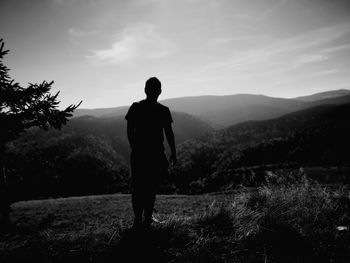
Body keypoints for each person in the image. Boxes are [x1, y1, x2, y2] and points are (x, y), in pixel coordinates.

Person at [125, 77, 177, 228]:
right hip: (156, 154)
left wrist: (135, 147)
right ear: (160, 91)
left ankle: (138, 220)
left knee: (139, 187)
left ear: (145, 90)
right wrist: (173, 152)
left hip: (139, 154)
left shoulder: (136, 107)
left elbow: (129, 131)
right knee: (151, 187)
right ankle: (146, 219)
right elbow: (169, 133)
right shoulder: (163, 110)